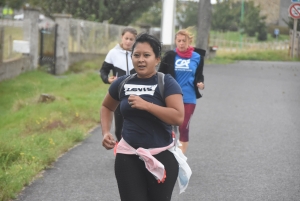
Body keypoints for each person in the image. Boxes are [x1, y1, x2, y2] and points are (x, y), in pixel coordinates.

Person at [100, 33, 189, 200]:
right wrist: (106, 132)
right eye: (137, 55)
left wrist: (147, 105)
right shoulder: (123, 83)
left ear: (157, 59)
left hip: (162, 156)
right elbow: (106, 106)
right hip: (128, 156)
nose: (141, 60)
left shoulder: (166, 83)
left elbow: (178, 117)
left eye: (146, 55)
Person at [158, 28, 206, 154]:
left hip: (189, 96)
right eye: (178, 41)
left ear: (189, 41)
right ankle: (169, 151)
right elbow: (160, 74)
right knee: (170, 126)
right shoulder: (170, 56)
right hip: (172, 96)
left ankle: (181, 156)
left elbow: (199, 75)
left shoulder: (197, 57)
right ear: (175, 41)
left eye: (184, 41)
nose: (181, 43)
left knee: (183, 126)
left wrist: (200, 83)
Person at [99, 27, 137, 142]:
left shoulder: (138, 54)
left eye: (131, 39)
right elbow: (103, 71)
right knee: (119, 127)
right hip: (119, 93)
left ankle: (135, 150)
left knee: (136, 123)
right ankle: (121, 150)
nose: (128, 41)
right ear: (122, 37)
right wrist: (107, 79)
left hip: (136, 93)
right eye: (126, 38)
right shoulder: (113, 53)